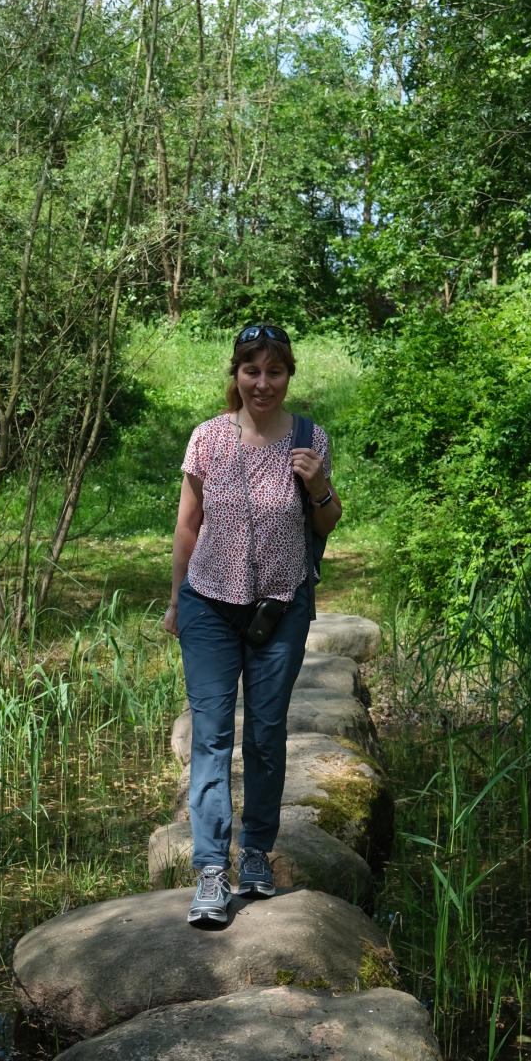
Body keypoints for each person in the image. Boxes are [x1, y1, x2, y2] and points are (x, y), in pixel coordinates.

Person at [163, 323, 343, 925]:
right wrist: (175, 601)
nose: (262, 383)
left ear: (288, 375)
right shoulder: (207, 438)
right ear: (236, 374)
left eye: (274, 371)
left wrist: (317, 483)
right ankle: (212, 870)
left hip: (281, 609)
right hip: (209, 606)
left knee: (266, 735)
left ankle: (258, 853)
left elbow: (327, 523)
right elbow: (188, 525)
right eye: (251, 371)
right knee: (211, 736)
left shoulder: (310, 438)